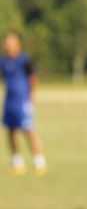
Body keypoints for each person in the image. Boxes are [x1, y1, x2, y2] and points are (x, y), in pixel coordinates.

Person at [1, 30, 47, 175]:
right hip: (9, 101)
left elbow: (33, 78)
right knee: (11, 131)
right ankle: (17, 162)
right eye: (5, 42)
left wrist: (30, 98)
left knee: (29, 130)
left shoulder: (24, 60)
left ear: (17, 43)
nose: (7, 45)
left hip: (22, 101)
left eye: (10, 41)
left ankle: (39, 161)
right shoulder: (3, 61)